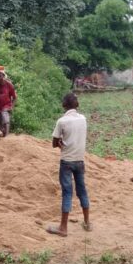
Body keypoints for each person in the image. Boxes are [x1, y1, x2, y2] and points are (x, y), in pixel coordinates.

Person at [47, 93, 91, 237]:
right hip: (80, 160)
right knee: (82, 190)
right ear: (77, 105)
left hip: (66, 161)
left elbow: (54, 143)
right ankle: (87, 222)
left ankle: (63, 228)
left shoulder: (62, 121)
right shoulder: (83, 119)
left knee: (67, 193)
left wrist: (60, 144)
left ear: (64, 105)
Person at [0, 65, 17, 137]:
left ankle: (7, 136)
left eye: (0, 75)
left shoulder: (9, 85)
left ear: (3, 75)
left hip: (6, 105)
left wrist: (11, 107)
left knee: (5, 117)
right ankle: (0, 135)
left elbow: (14, 97)